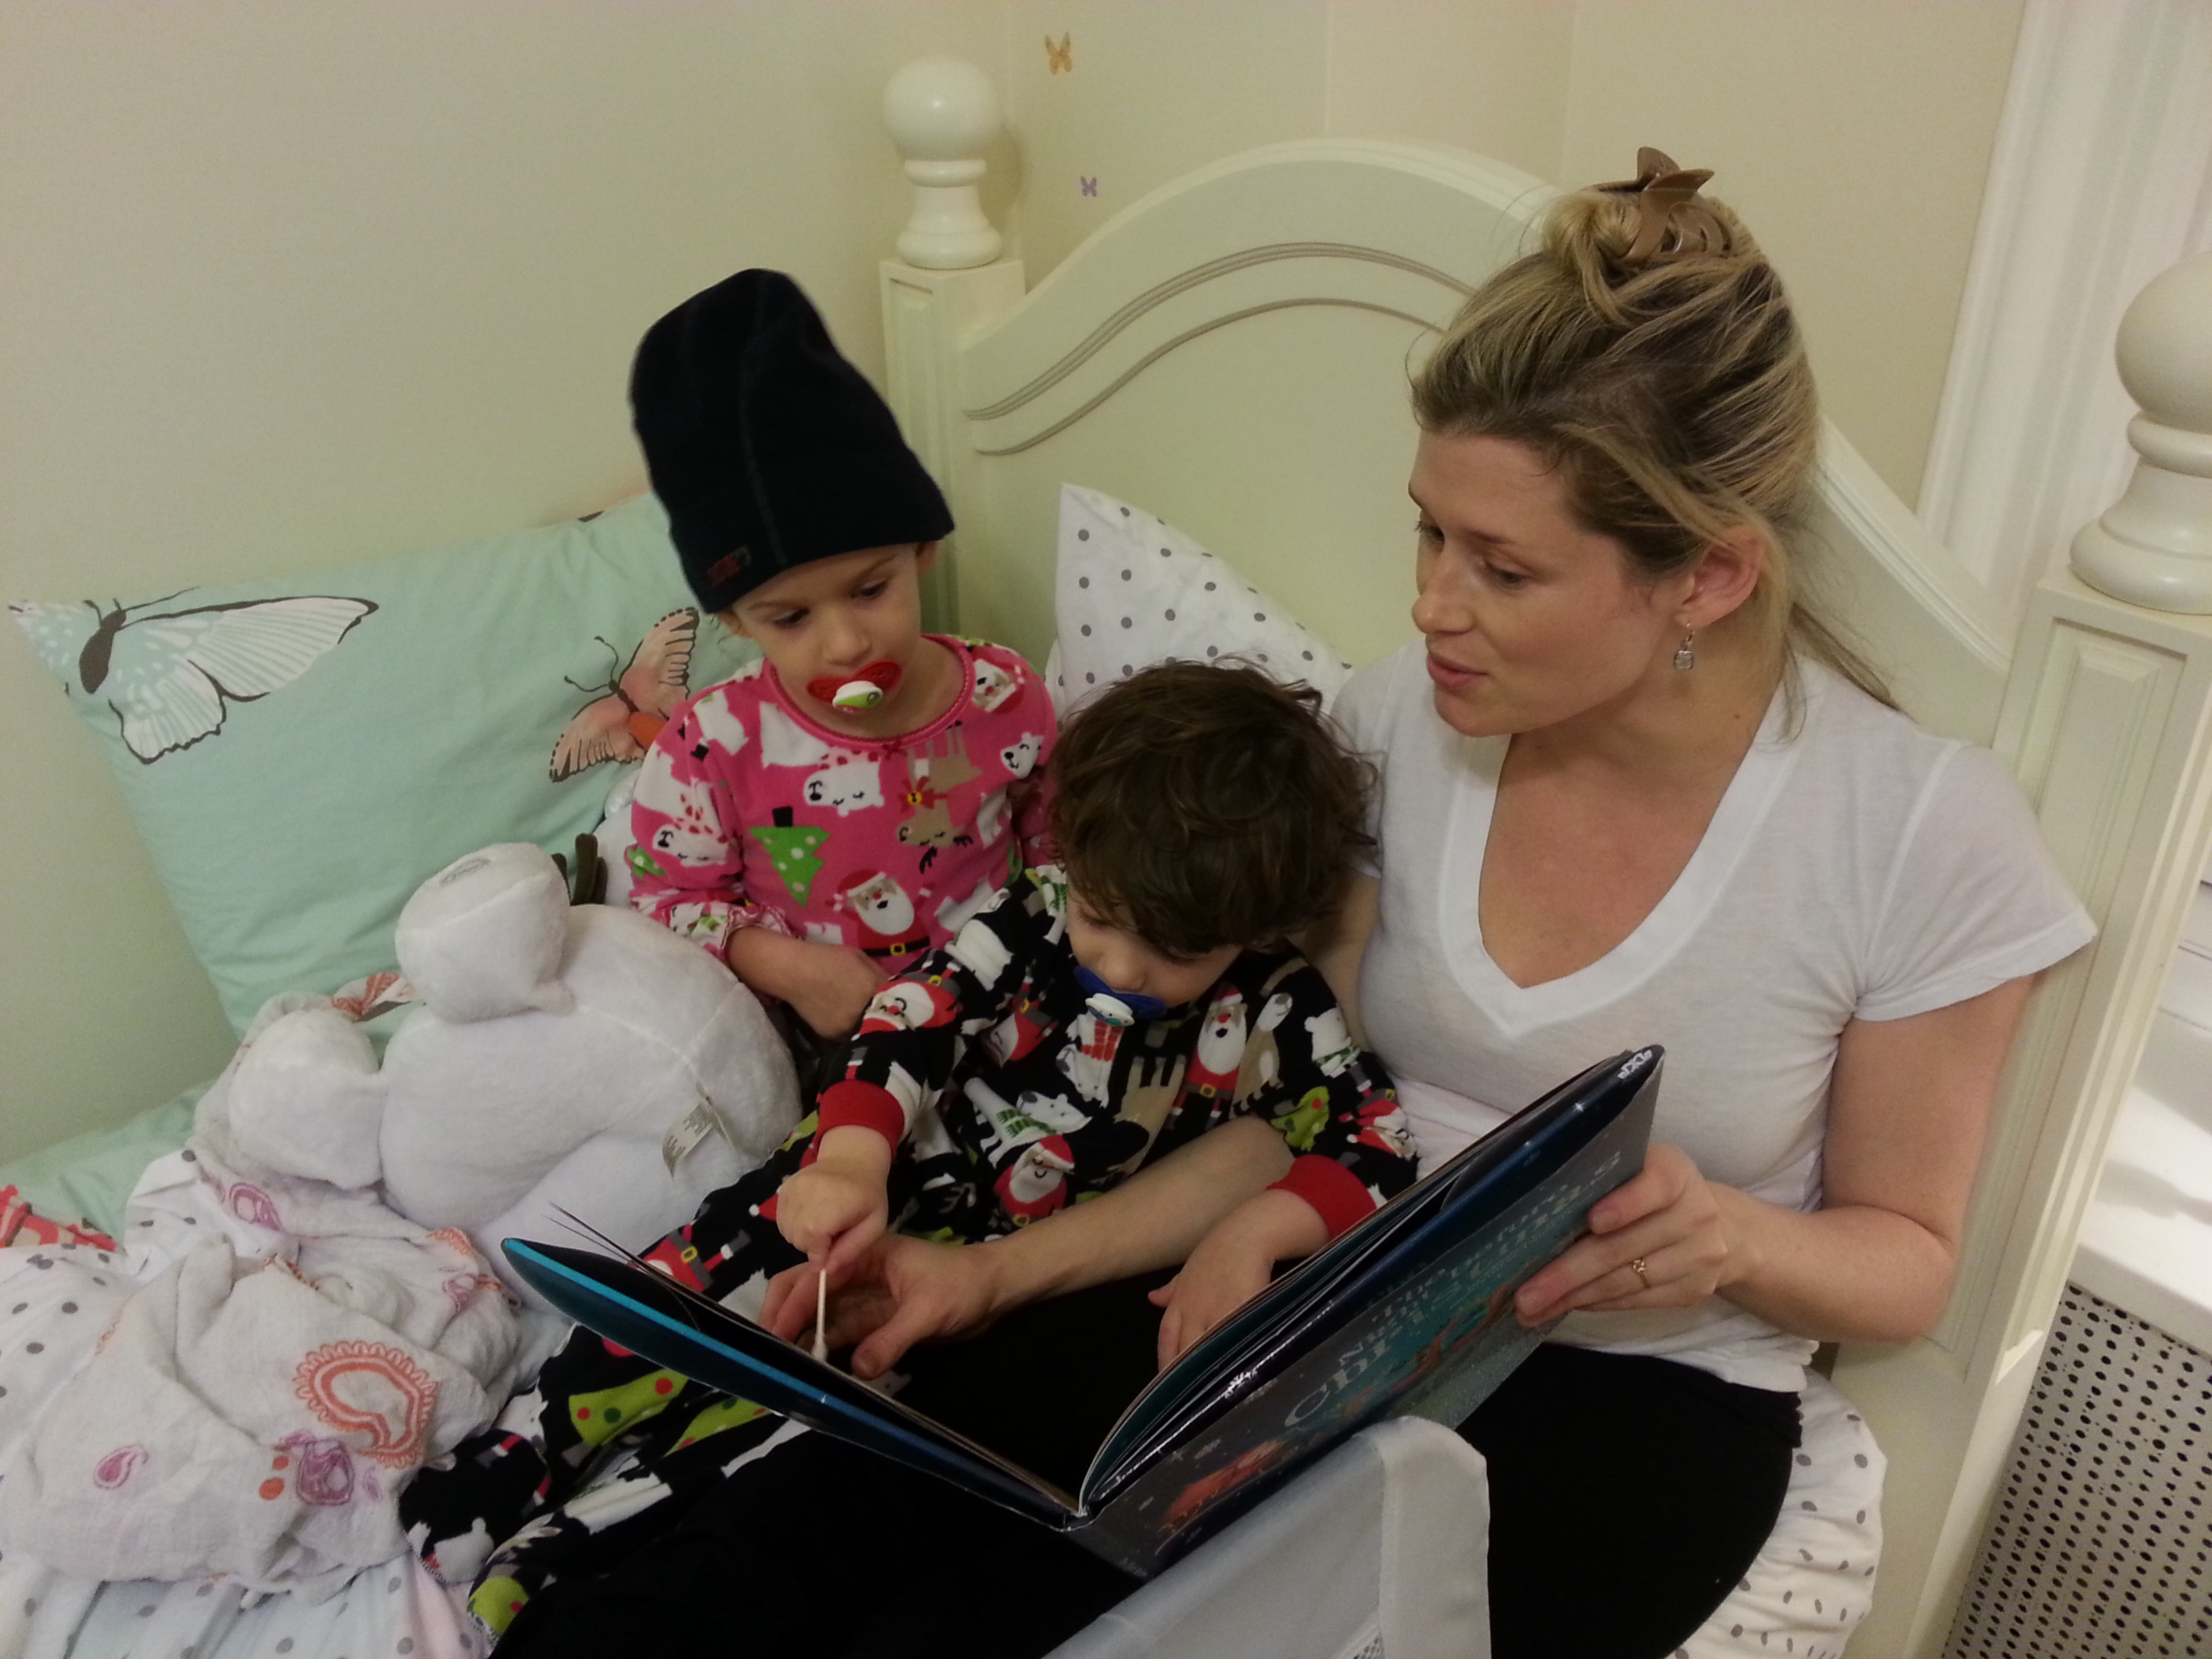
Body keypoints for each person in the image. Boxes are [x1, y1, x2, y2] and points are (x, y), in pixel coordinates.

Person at [1292, 148, 2096, 1657]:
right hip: (1349, 1311)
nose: (1429, 604)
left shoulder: (1910, 829)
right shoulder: (1402, 712)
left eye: (1501, 568)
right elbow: (1297, 1051)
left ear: (1708, 580)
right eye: (1428, 532)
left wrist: (1728, 1237)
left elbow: (1906, 1259)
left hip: (1643, 1397)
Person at [420, 661, 1414, 1647]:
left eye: (1175, 955)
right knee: (687, 1292)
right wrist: (850, 1160)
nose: (1119, 971)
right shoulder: (1032, 914)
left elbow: (1375, 1143)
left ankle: (572, 1550)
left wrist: (1253, 1233)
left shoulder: (1278, 1006)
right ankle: (519, 1455)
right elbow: (909, 1020)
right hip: (881, 1168)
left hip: (975, 1272)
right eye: (1103, 921)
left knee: (788, 1418)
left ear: (1251, 931)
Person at [622, 267, 1054, 1042]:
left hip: (994, 1016)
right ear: (736, 621)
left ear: (923, 549)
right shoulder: (711, 746)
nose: (848, 645)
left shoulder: (1006, 693)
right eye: (790, 618)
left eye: (870, 590)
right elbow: (667, 902)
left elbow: (1061, 857)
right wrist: (791, 970)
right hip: (829, 1042)